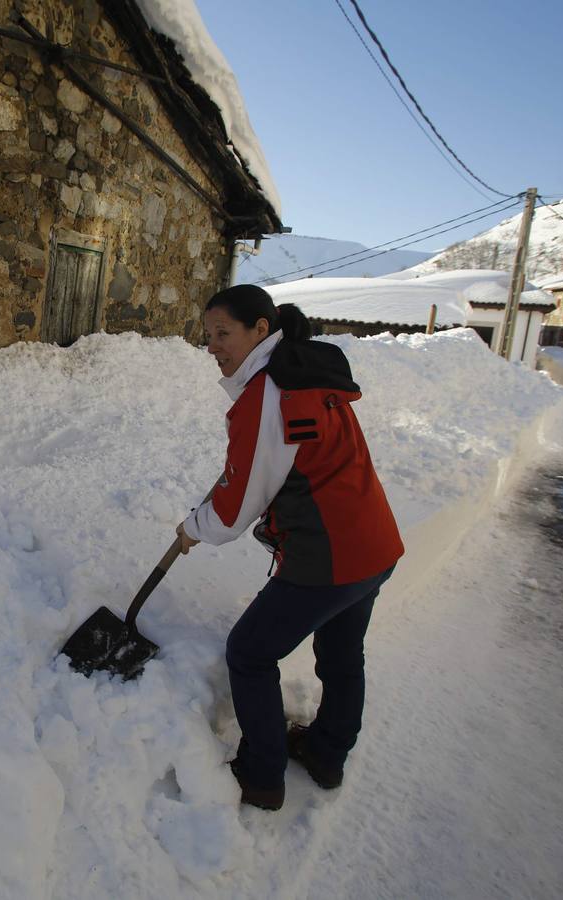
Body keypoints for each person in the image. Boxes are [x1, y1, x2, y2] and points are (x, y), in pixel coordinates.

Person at [175, 284, 404, 811]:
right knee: (343, 657)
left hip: (330, 558)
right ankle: (326, 755)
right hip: (374, 545)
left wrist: (194, 528)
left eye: (223, 333)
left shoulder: (267, 396)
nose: (212, 345)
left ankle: (261, 776)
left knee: (249, 654)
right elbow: (280, 464)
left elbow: (233, 513)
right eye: (208, 334)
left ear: (261, 330)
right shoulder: (304, 372)